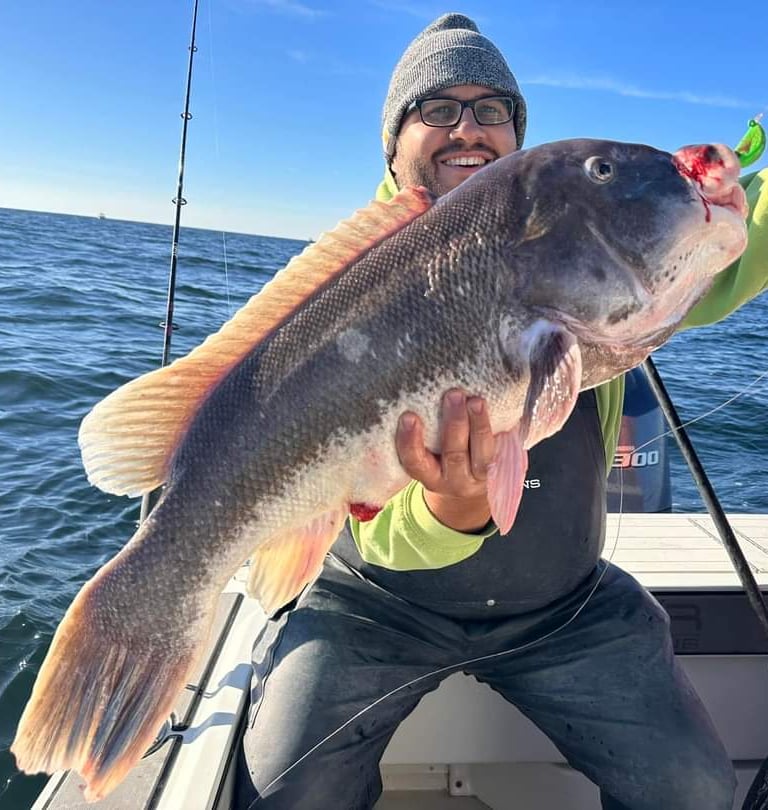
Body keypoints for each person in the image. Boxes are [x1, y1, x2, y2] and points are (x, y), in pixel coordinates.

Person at [236, 13, 768, 810]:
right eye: (437, 108)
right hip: (374, 604)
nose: (468, 128)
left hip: (566, 604)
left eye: (492, 110)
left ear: (517, 136)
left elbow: (733, 240)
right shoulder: (349, 283)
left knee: (693, 786)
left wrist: (716, 198)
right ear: (393, 142)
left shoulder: (581, 246)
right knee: (285, 787)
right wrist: (452, 510)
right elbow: (367, 513)